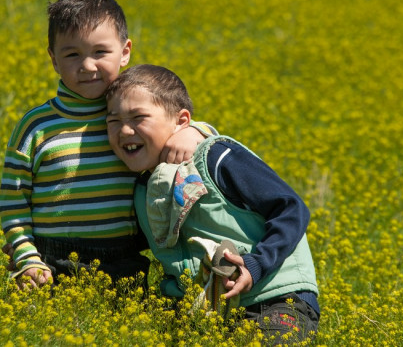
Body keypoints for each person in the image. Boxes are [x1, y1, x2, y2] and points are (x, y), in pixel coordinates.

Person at [0, 0, 209, 290]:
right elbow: (13, 200)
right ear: (53, 59)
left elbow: (180, 123)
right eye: (72, 54)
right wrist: (26, 256)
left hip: (124, 258)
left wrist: (196, 132)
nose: (87, 66)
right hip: (50, 261)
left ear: (124, 52)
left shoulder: (134, 116)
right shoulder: (36, 126)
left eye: (100, 52)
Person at [105, 64, 320, 342]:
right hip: (205, 313)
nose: (124, 130)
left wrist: (256, 264)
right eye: (113, 121)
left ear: (182, 121)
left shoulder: (215, 157)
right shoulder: (143, 187)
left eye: (138, 117)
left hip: (274, 299)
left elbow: (291, 207)